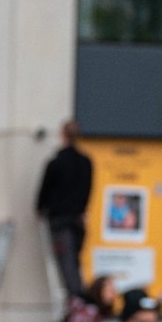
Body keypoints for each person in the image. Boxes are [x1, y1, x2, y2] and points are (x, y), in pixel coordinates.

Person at [36, 120, 93, 300]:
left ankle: (76, 303)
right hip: (77, 221)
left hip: (60, 221)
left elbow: (44, 190)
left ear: (63, 136)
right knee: (74, 262)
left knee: (67, 266)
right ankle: (77, 299)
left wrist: (40, 208)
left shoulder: (56, 163)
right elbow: (88, 190)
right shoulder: (86, 162)